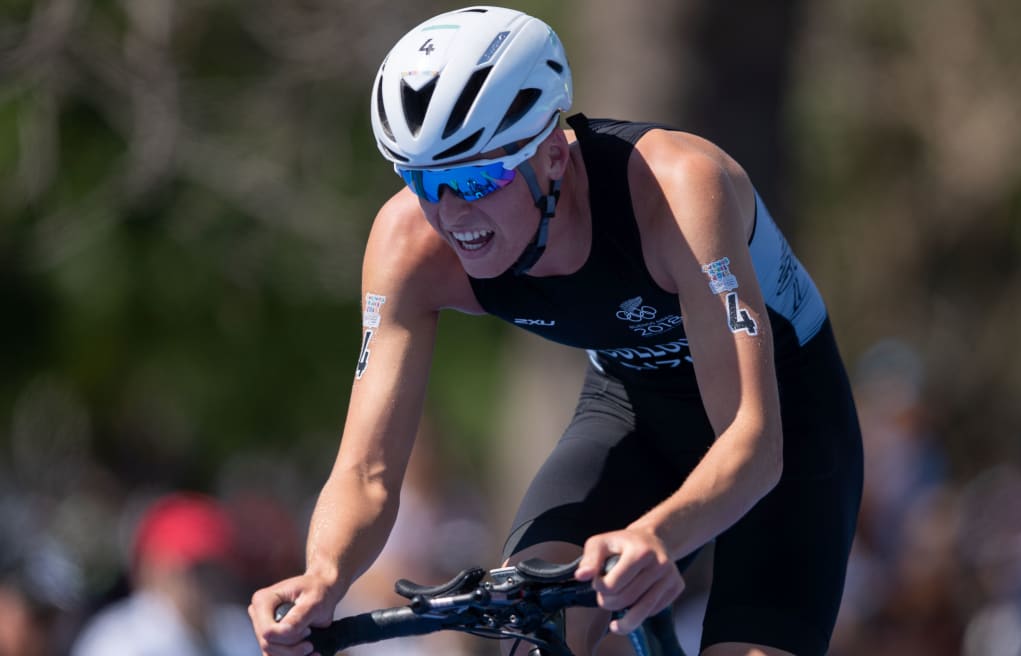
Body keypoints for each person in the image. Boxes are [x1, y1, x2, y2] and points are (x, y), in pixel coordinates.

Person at [248, 6, 864, 656]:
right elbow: (367, 468)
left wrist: (657, 535)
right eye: (422, 179)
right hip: (631, 410)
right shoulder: (408, 243)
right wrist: (325, 574)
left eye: (477, 177)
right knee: (530, 626)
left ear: (550, 155)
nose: (451, 213)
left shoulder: (678, 191)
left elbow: (752, 441)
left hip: (783, 425)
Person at [72, 492, 259, 656]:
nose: (199, 581)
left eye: (209, 566)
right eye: (188, 567)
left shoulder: (240, 634)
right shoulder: (118, 641)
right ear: (151, 568)